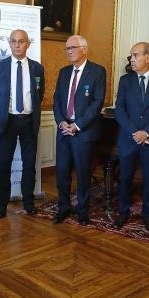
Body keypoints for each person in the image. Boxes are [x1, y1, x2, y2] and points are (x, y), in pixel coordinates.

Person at [114, 42, 149, 232]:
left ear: (147, 57)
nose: (131, 59)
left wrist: (146, 132)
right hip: (128, 139)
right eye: (131, 56)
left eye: (135, 55)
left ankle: (148, 215)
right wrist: (134, 132)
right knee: (125, 178)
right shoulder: (125, 80)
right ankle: (123, 213)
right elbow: (119, 110)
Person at [0, 29, 45, 219]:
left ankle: (28, 203)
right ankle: (2, 205)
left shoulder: (37, 68)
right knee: (4, 164)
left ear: (28, 44)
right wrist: (3, 112)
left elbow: (39, 94)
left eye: (21, 41)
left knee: (29, 165)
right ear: (9, 43)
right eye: (13, 41)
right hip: (8, 122)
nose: (17, 45)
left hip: (29, 122)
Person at [52, 35, 106, 225]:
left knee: (83, 174)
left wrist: (77, 125)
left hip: (83, 132)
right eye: (67, 48)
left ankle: (82, 211)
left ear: (84, 49)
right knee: (62, 173)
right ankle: (63, 208)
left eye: (72, 47)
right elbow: (57, 101)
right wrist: (61, 122)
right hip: (64, 130)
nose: (69, 51)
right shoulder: (64, 72)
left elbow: (97, 103)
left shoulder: (97, 71)